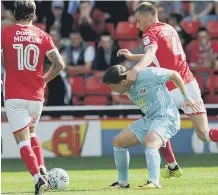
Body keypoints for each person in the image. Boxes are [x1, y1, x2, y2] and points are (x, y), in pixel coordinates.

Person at [117, 2, 218, 179]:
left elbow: (150, 55)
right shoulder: (169, 28)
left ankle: (171, 166)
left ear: (149, 17)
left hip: (171, 88)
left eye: (139, 21)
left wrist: (135, 68)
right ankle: (171, 166)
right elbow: (162, 55)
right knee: (203, 134)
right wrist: (134, 56)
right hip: (189, 84)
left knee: (156, 126)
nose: (137, 25)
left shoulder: (150, 32)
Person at [1, 0, 65, 194]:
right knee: (33, 132)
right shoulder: (42, 35)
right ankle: (43, 169)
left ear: (14, 13)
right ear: (34, 14)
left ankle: (39, 179)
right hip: (36, 95)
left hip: (14, 95)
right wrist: (44, 80)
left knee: (22, 141)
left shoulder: (5, 33)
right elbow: (59, 64)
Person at [103, 65, 200, 189]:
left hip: (166, 117)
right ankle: (122, 183)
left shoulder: (148, 74)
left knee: (150, 142)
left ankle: (154, 181)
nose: (113, 90)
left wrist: (186, 97)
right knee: (118, 142)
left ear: (122, 81)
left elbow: (174, 74)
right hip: (150, 119)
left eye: (113, 86)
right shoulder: (126, 85)